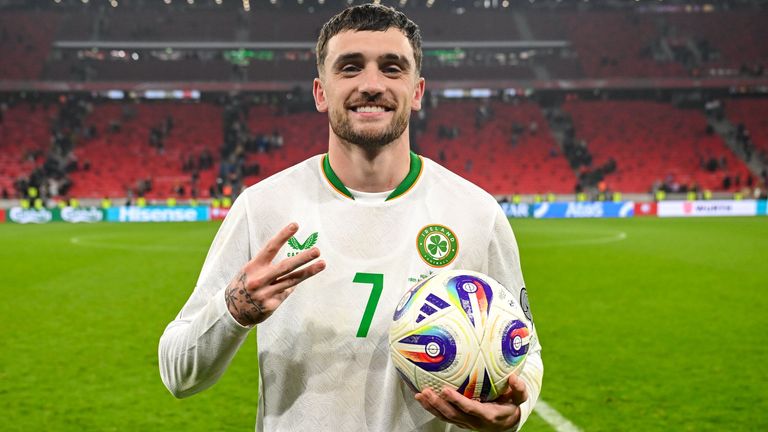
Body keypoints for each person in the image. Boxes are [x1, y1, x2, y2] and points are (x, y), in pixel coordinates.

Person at [159, 5, 542, 431]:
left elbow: (527, 352)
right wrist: (234, 310)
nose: (372, 84)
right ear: (321, 92)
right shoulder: (263, 207)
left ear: (417, 91)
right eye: (350, 67)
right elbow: (178, 375)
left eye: (392, 68)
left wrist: (516, 411)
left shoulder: (476, 212)